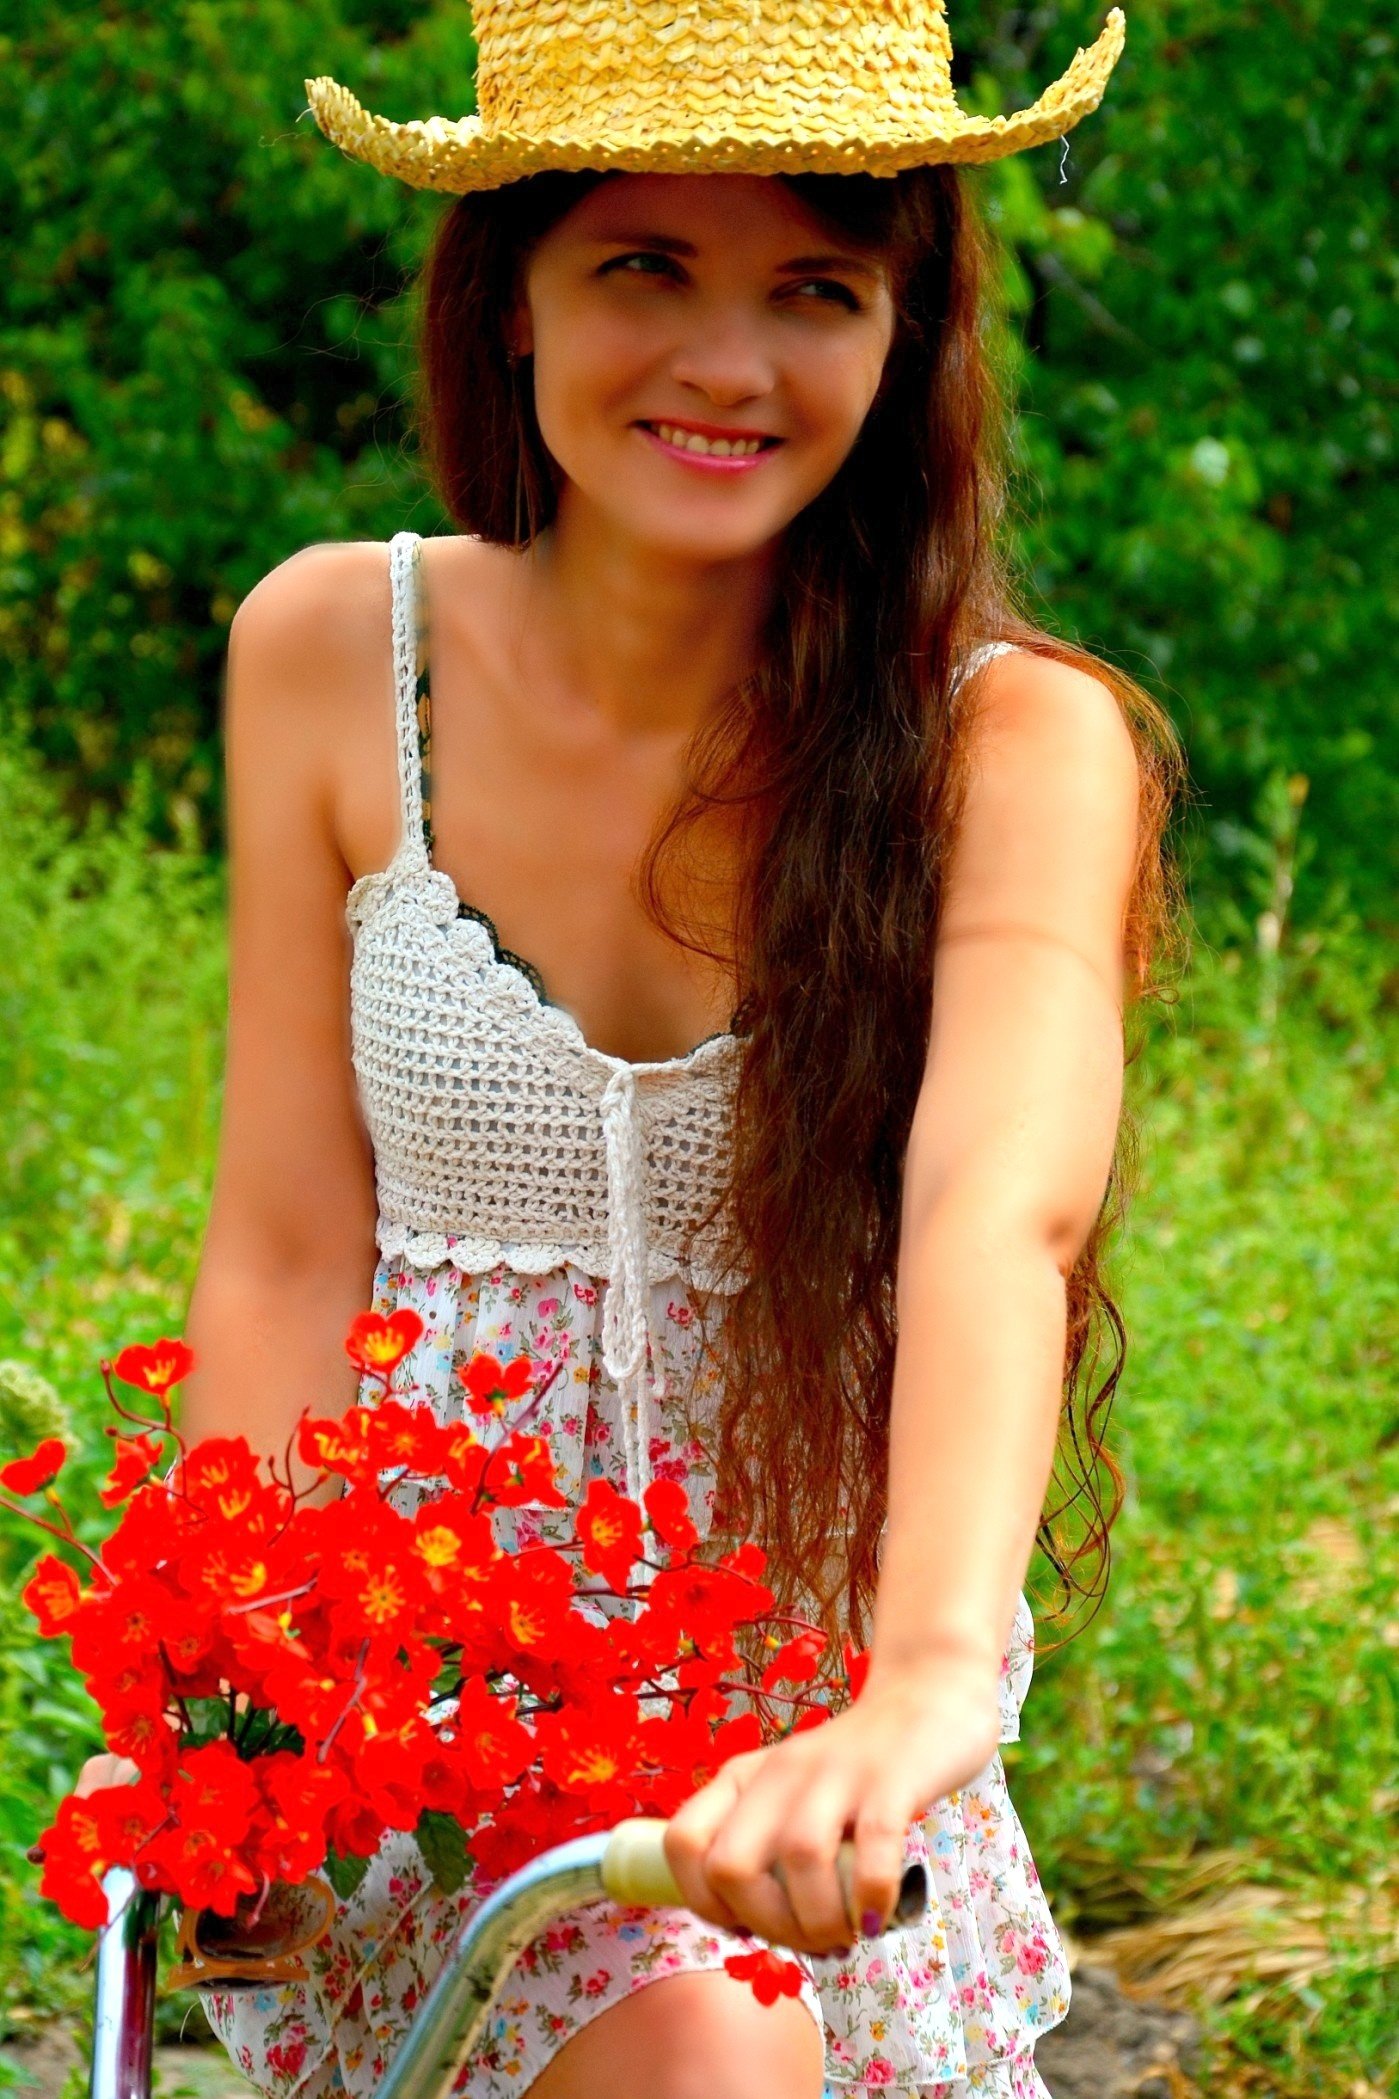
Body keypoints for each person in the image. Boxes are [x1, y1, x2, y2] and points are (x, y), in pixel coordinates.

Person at [81, 2, 1183, 2094]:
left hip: (808, 1745)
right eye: (645, 267)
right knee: (687, 2043)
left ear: (907, 333)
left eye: (816, 290)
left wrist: (923, 1687)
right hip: (427, 1710)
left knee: (718, 2027)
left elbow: (997, 1211)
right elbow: (290, 1248)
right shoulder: (332, 654)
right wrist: (238, 1712)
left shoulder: (1017, 746)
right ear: (511, 293)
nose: (727, 363)